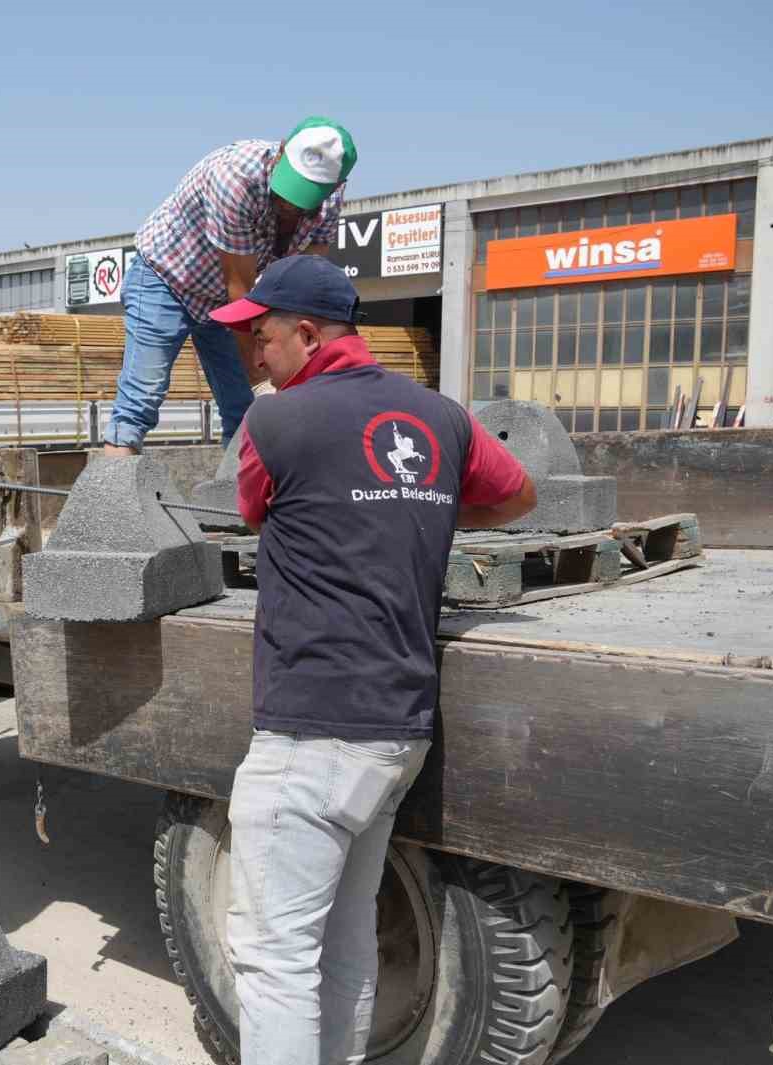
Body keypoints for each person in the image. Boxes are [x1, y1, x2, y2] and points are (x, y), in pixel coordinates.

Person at [212, 256, 538, 1064]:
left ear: (308, 334)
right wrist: (414, 507)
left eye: (262, 337)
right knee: (347, 944)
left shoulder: (276, 424)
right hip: (397, 728)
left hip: (311, 730)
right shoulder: (441, 416)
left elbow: (256, 512)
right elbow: (520, 495)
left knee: (276, 956)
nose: (254, 356)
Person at [103, 117, 358, 456]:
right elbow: (239, 288)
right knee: (142, 396)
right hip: (166, 280)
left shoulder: (330, 199)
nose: (292, 205)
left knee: (244, 411)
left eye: (304, 196)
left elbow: (304, 286)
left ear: (337, 184)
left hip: (227, 297)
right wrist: (265, 382)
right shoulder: (234, 177)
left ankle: (239, 498)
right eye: (290, 188)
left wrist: (297, 376)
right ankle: (110, 497)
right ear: (281, 151)